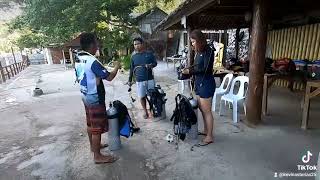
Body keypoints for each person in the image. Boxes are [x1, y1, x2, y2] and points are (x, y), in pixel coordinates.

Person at [77, 32, 120, 163]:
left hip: (85, 95)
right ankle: (98, 156)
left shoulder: (79, 57)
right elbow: (109, 77)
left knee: (90, 123)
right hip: (94, 98)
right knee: (97, 128)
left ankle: (93, 147)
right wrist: (117, 66)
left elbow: (88, 74)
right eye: (96, 42)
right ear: (91, 44)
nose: (98, 45)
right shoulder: (92, 61)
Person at [182, 30, 215, 146]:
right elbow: (196, 67)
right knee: (202, 109)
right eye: (191, 42)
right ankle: (206, 131)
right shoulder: (198, 52)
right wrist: (189, 70)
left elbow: (206, 69)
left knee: (207, 111)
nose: (192, 45)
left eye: (194, 42)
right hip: (199, 83)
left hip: (206, 84)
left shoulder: (208, 51)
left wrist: (190, 71)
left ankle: (210, 136)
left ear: (200, 41)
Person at [128, 37, 157, 119]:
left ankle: (152, 110)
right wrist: (129, 80)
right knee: (142, 96)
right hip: (139, 80)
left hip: (150, 78)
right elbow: (131, 68)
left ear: (142, 44)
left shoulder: (149, 53)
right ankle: (145, 111)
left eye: (138, 44)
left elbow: (155, 63)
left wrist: (151, 65)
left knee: (152, 96)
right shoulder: (133, 56)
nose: (136, 46)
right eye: (135, 44)